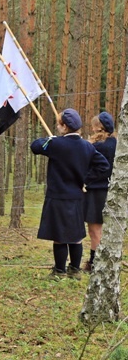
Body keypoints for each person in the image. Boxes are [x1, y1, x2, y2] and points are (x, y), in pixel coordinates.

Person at [30, 109, 110, 280]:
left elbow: (35, 146)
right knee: (76, 235)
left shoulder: (55, 144)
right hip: (76, 196)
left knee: (59, 236)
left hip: (58, 196)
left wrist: (49, 139)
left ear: (64, 127)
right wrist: (86, 180)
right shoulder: (87, 146)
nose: (58, 127)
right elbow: (103, 166)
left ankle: (59, 271)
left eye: (59, 124)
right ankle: (74, 270)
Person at [83, 112, 116, 271]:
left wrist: (85, 179)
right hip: (106, 191)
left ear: (98, 128)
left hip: (97, 192)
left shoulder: (98, 146)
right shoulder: (115, 143)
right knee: (98, 228)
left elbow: (100, 169)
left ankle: (95, 263)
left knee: (95, 229)